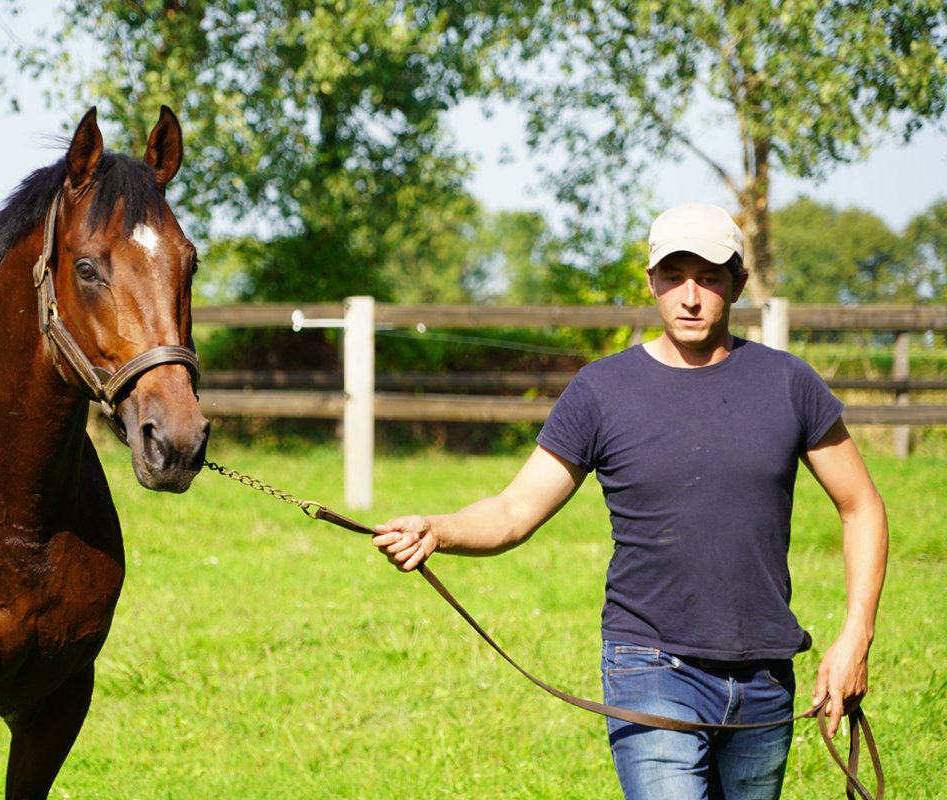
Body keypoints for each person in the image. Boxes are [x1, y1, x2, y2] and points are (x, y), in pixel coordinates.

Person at [372, 203, 888, 800]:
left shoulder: (789, 383)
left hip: (765, 672)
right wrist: (438, 529)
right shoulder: (601, 391)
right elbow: (514, 511)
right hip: (650, 664)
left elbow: (862, 507)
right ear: (651, 281)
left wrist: (856, 636)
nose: (689, 297)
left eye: (709, 278)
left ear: (739, 283)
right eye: (674, 276)